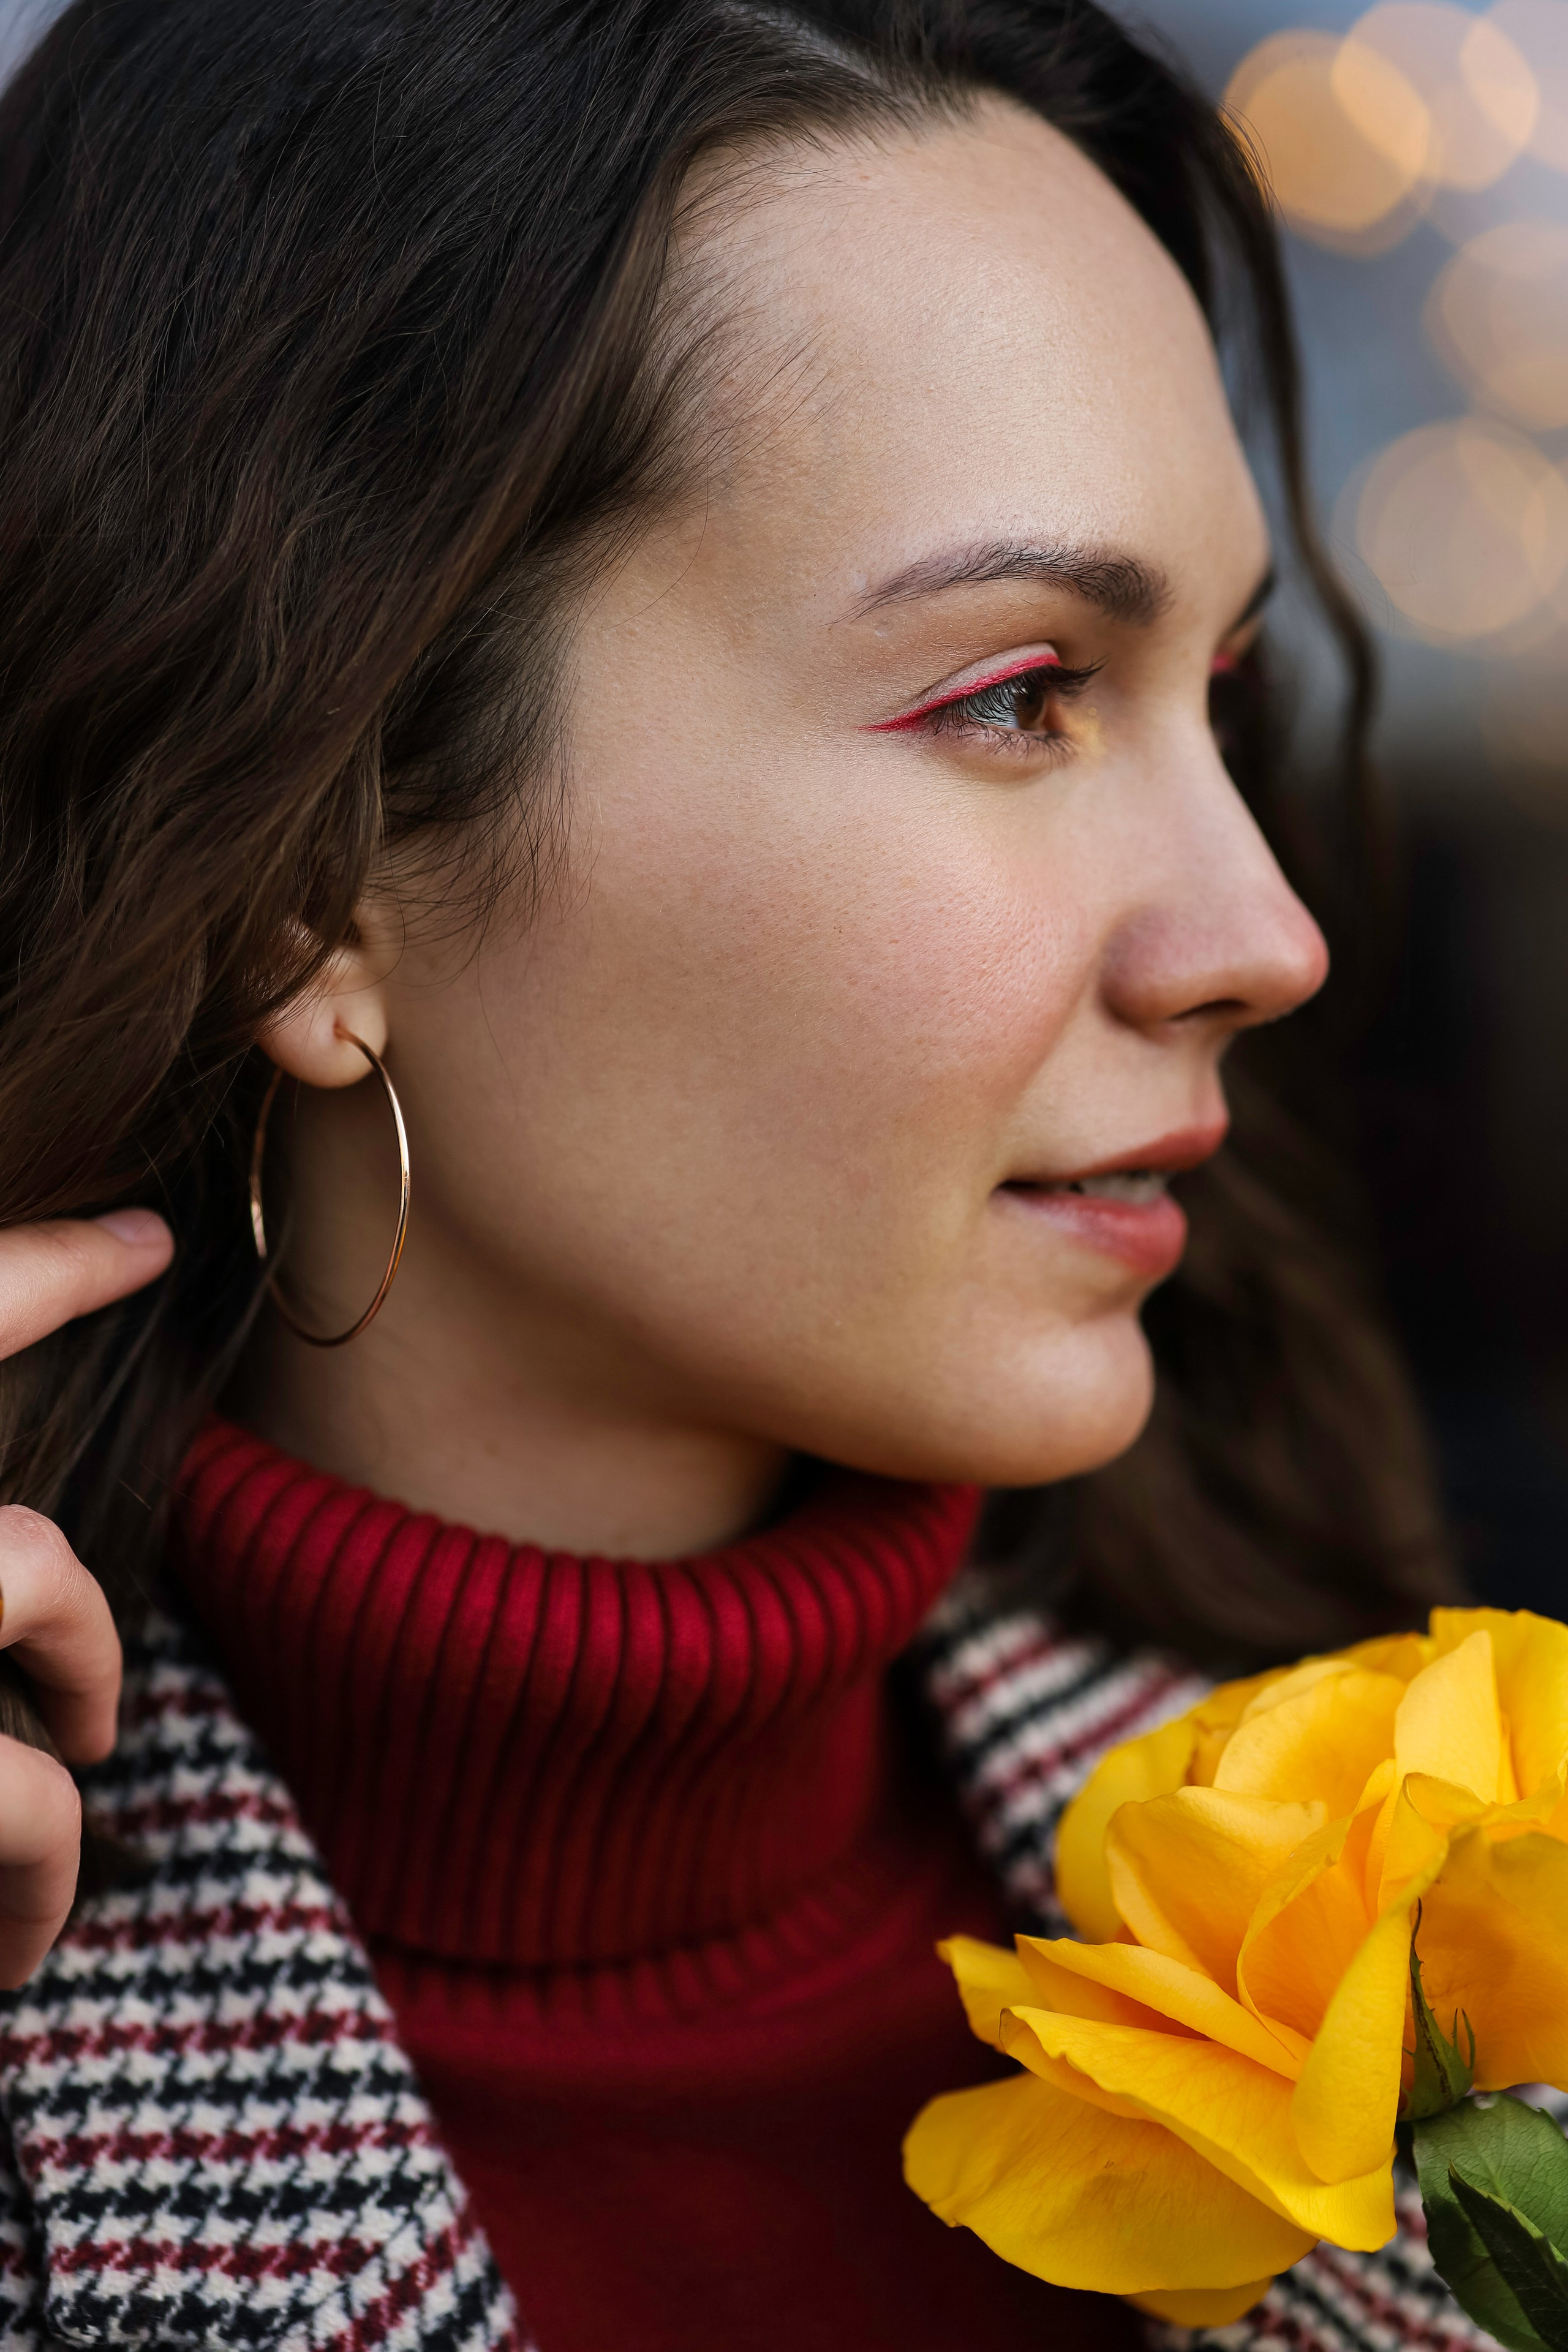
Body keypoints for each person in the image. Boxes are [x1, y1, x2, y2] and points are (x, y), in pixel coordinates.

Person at [0, 2, 1461, 2348]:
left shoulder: (1443, 1955)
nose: (1263, 937)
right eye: (1016, 694)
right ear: (313, 875)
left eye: (1220, 695)